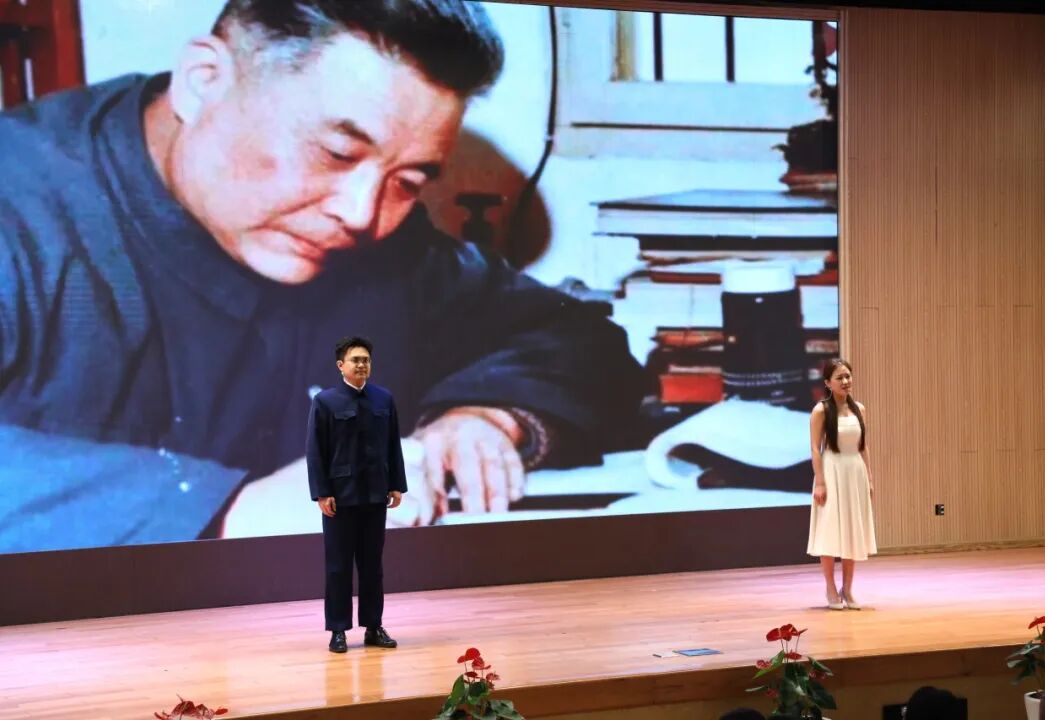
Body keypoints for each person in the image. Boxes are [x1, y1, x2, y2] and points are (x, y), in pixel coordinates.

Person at [0, 0, 644, 552]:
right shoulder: (19, 201)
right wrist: (229, 513)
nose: (362, 214)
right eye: (335, 153)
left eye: (408, 182)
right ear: (203, 80)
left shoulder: (382, 243)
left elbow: (573, 339)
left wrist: (487, 417)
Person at [308, 336, 404, 652]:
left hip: (375, 496)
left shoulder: (383, 399)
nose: (362, 365)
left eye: (366, 360)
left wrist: (396, 484)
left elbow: (393, 444)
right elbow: (316, 451)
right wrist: (322, 493)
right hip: (341, 498)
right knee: (338, 567)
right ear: (341, 365)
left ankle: (373, 627)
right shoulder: (325, 401)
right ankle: (338, 630)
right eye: (355, 360)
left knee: (372, 566)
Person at [806, 358, 876, 609]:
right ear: (828, 383)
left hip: (854, 471)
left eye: (848, 376)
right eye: (840, 378)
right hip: (832, 471)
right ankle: (830, 588)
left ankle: (847, 589)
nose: (846, 381)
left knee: (851, 530)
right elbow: (815, 448)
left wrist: (869, 478)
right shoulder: (821, 410)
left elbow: (863, 446)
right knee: (830, 530)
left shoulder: (859, 408)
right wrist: (820, 482)